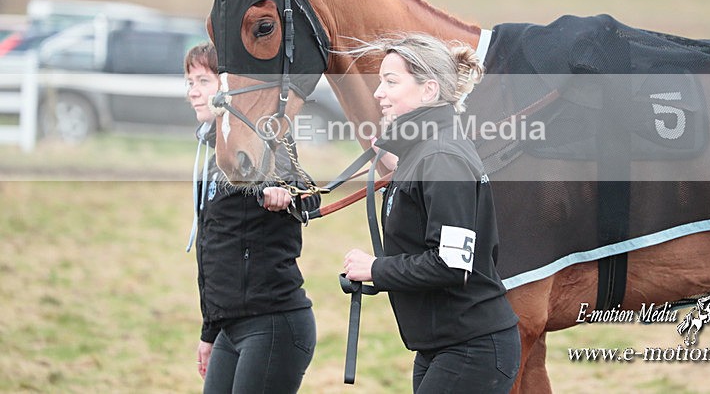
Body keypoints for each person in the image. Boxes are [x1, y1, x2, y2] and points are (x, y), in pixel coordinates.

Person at [343, 33, 521, 393]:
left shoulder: (441, 157)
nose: (378, 93)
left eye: (391, 82)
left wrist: (375, 269)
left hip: (472, 349)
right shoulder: (425, 153)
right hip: (442, 347)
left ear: (428, 90)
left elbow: (451, 263)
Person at [184, 42, 318, 394]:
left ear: (230, 87)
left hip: (273, 325)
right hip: (229, 328)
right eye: (190, 83)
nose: (193, 92)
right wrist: (210, 332)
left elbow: (305, 192)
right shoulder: (216, 159)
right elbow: (215, 251)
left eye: (203, 82)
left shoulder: (265, 140)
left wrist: (280, 192)